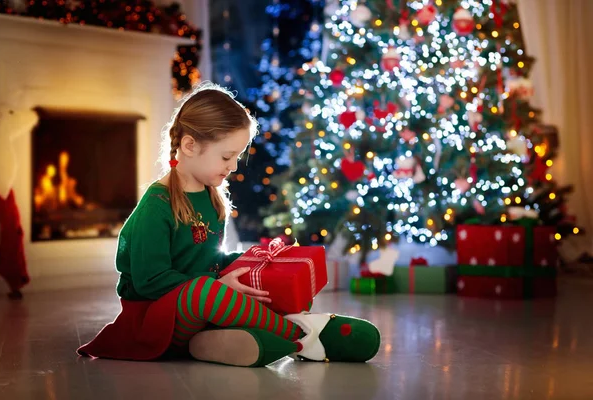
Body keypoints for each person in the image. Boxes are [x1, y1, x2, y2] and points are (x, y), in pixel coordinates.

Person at [77, 82, 380, 367]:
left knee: (257, 270)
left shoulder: (210, 197)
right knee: (207, 292)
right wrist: (216, 285)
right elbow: (149, 280)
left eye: (237, 156)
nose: (233, 166)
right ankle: (302, 335)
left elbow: (208, 261)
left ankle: (229, 340)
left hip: (200, 307)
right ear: (189, 145)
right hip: (155, 318)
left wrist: (249, 266)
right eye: (226, 156)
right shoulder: (156, 207)